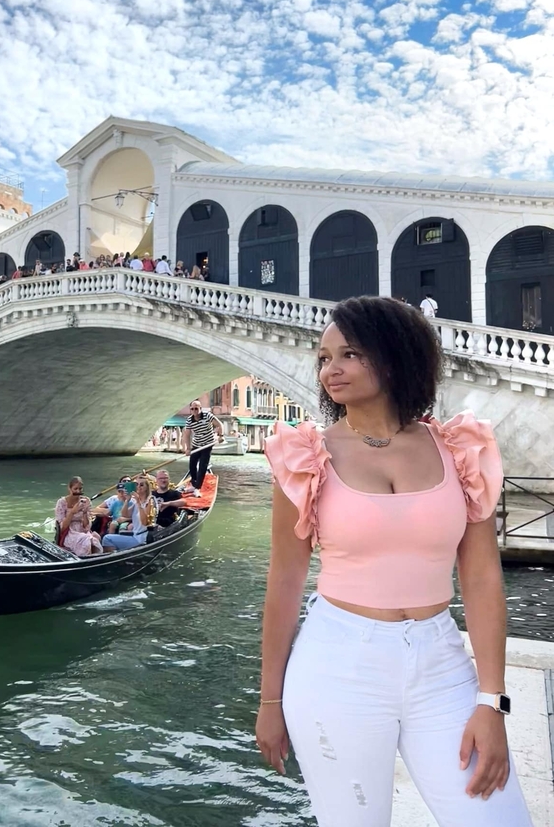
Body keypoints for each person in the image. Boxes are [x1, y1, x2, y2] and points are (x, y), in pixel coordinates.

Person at [256, 296, 533, 827]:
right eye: (323, 358)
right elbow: (286, 582)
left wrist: (491, 700)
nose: (330, 370)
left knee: (499, 819)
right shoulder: (305, 455)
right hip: (337, 666)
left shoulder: (458, 449)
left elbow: (479, 578)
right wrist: (271, 701)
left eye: (349, 354)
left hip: (441, 664)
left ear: (394, 355)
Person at [102, 478, 155, 550]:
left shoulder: (149, 502)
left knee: (107, 539)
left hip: (142, 539)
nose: (139, 486)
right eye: (136, 484)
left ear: (146, 488)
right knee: (107, 538)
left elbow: (145, 522)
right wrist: (127, 500)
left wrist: (138, 502)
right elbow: (124, 514)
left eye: (141, 485)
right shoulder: (136, 502)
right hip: (135, 536)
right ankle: (116, 555)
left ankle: (114, 557)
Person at [182, 401, 223, 497]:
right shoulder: (189, 420)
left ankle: (197, 488)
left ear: (200, 408)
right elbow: (187, 435)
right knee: (192, 465)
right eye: (192, 409)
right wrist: (188, 448)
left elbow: (219, 424)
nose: (194, 410)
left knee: (202, 467)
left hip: (207, 445)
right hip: (196, 445)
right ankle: (193, 484)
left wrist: (221, 435)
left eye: (196, 408)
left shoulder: (207, 415)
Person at [55, 477, 103, 557]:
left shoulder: (86, 500)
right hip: (68, 532)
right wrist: (72, 512)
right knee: (86, 540)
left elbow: (87, 527)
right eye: (75, 489)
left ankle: (93, 561)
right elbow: (62, 528)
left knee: (94, 539)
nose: (78, 491)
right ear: (69, 489)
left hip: (83, 531)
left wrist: (84, 513)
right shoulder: (61, 502)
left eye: (80, 489)